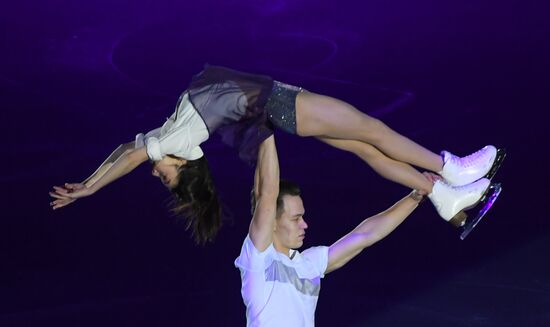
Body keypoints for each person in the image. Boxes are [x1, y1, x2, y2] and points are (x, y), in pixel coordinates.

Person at [49, 65, 502, 243]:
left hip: (279, 107)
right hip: (282, 105)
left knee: (366, 146)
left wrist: (91, 180)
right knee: (373, 129)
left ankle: (443, 197)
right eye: (166, 177)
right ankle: (451, 168)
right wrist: (90, 189)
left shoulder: (165, 135)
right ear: (183, 166)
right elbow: (130, 158)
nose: (155, 171)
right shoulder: (174, 144)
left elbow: (123, 149)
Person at [235, 135, 433, 326]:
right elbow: (267, 192)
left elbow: (366, 235)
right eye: (296, 219)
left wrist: (414, 198)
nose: (304, 224)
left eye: (302, 217)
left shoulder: (308, 264)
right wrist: (265, 129)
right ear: (273, 222)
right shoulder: (259, 260)